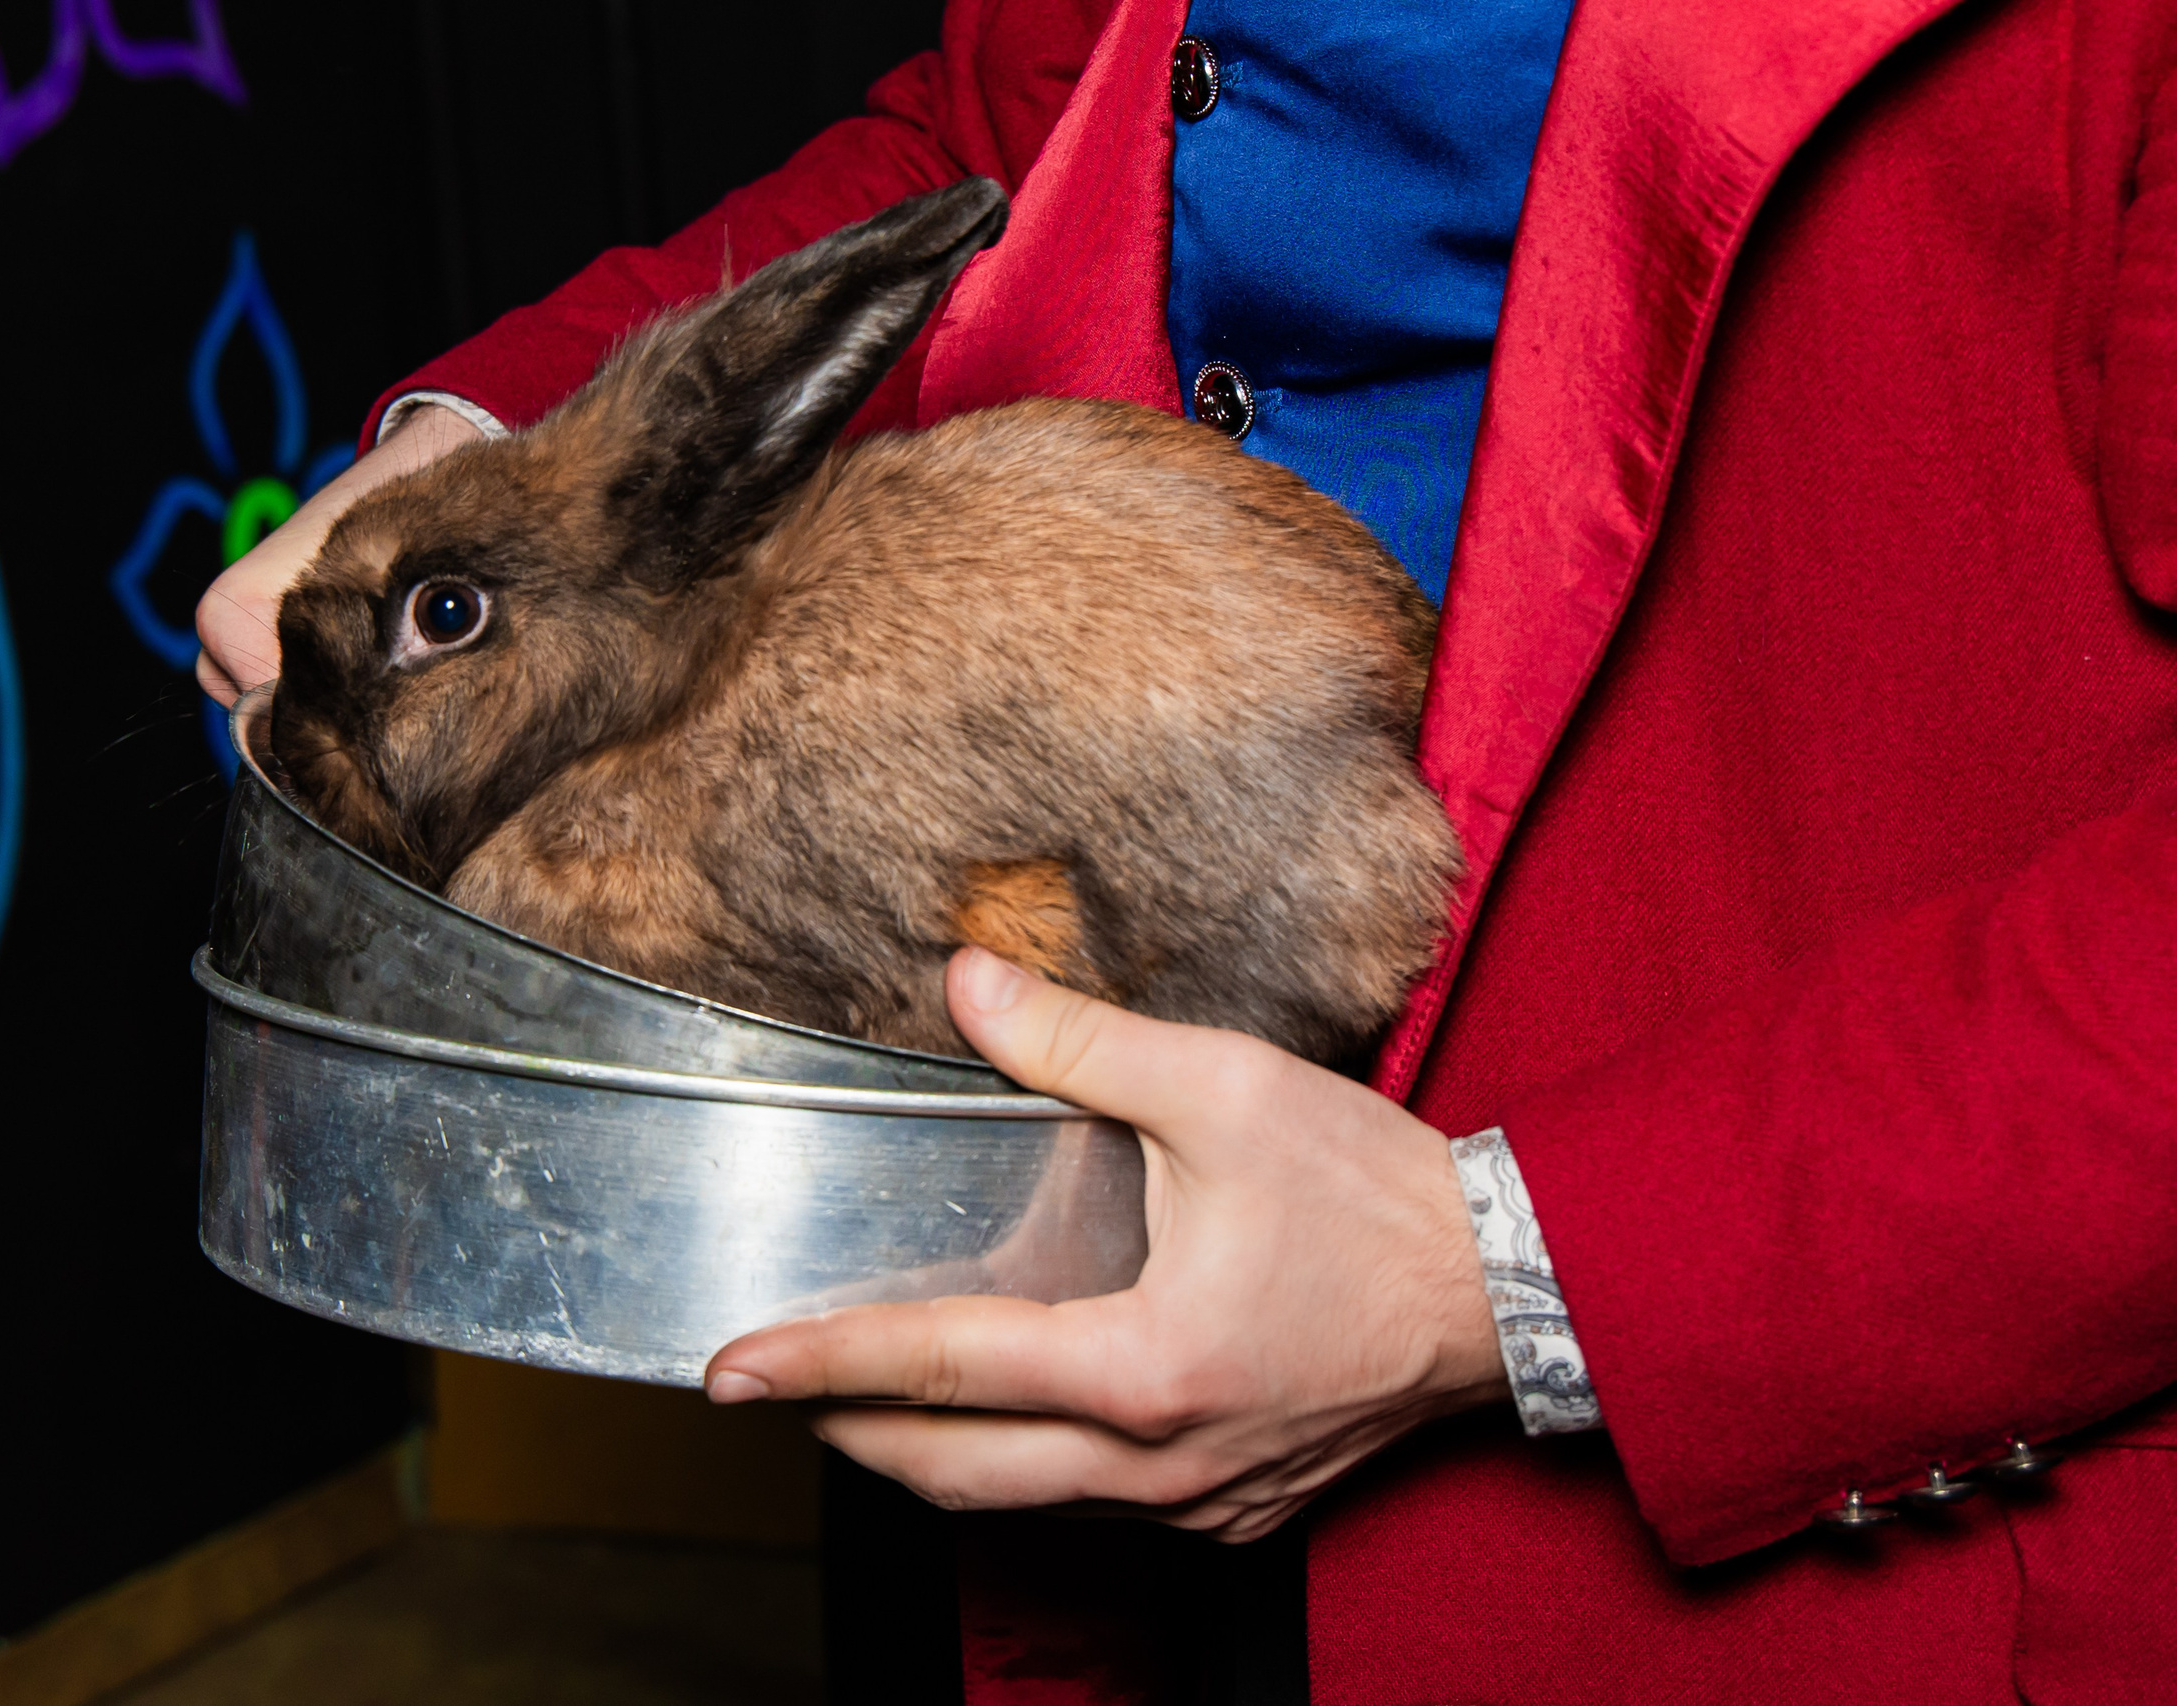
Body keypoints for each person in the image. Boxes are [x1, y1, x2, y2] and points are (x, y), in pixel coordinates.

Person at [197, 0, 2177, 1697]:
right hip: (1030, 1255)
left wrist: (1494, 1273)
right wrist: (485, 473)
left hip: (1727, 1393)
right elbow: (1011, 131)